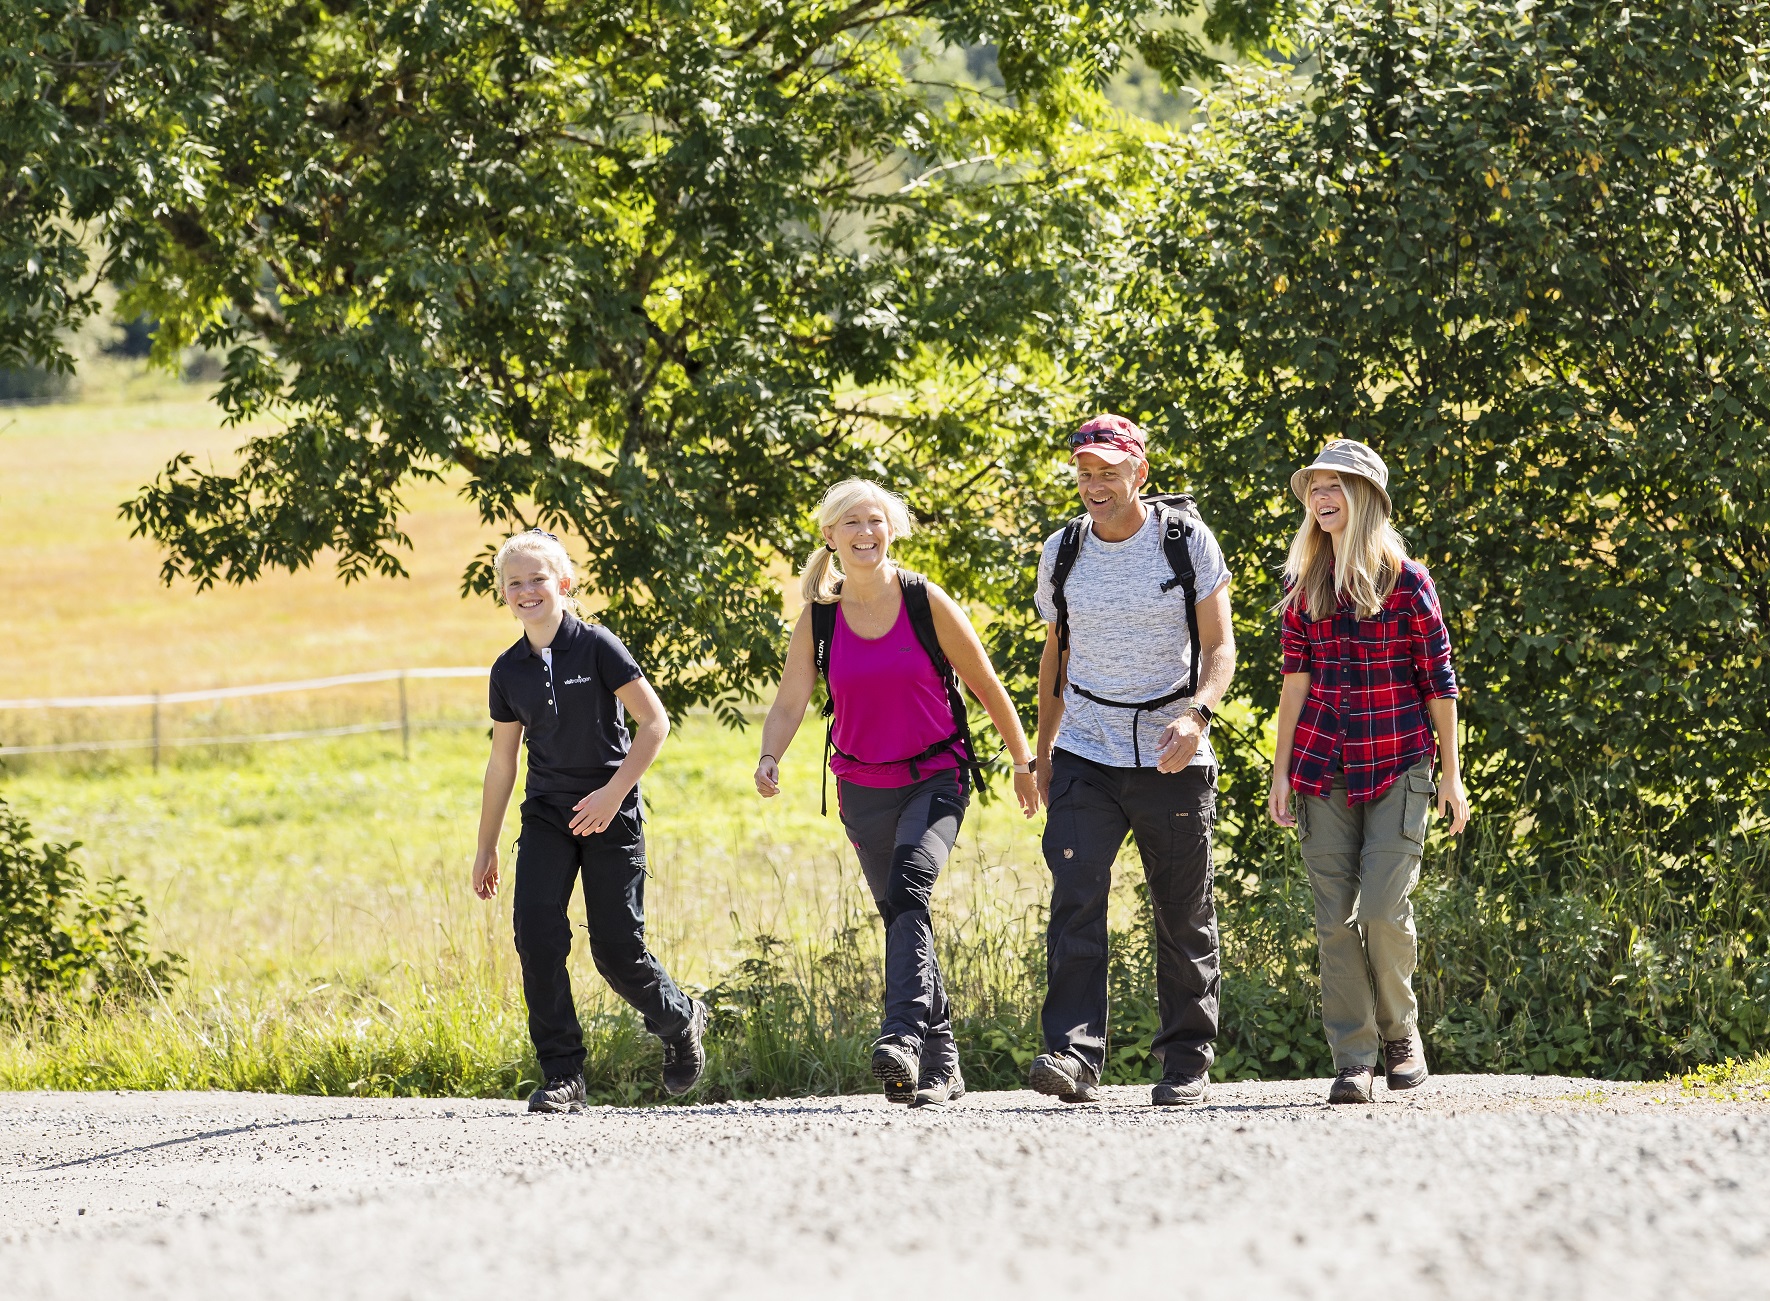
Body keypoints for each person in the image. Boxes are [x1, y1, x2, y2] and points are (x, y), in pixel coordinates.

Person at [754, 479, 1039, 1109]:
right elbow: (790, 700)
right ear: (830, 536)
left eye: (875, 520)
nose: (865, 533)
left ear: (892, 529)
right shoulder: (820, 618)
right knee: (903, 915)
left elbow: (987, 685)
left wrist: (1024, 761)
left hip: (936, 775)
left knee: (911, 886)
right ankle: (942, 1065)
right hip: (861, 786)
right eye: (851, 523)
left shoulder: (922, 599)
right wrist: (770, 755)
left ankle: (902, 1036)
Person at [1028, 414, 1237, 1107]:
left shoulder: (1185, 542)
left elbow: (1220, 647)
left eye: (1108, 473)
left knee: (1182, 913)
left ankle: (1185, 1061)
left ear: (1138, 473)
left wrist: (1197, 714)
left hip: (1171, 755)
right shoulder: (1062, 550)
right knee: (1075, 898)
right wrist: (1042, 754)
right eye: (1084, 473)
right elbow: (1056, 656)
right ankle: (1073, 1056)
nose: (1095, 485)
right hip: (1085, 751)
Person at [471, 529, 708, 1113]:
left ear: (564, 583)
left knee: (616, 949)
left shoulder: (598, 645)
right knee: (537, 937)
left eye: (538, 579)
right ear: (502, 593)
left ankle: (679, 1020)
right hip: (547, 815)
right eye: (514, 583)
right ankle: (563, 1075)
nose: (527, 591)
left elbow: (654, 723)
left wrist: (612, 794)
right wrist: (486, 847)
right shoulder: (508, 670)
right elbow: (502, 763)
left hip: (610, 811)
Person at [1266, 439, 1469, 1105]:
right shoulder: (1304, 585)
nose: (1321, 498)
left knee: (1381, 910)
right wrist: (1279, 773)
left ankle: (1401, 1034)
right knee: (1334, 921)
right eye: (1315, 488)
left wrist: (1450, 774)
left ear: (1366, 499)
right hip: (1321, 767)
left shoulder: (1408, 581)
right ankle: (1353, 1059)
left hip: (1399, 763)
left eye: (1335, 486)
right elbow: (1294, 684)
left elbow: (1439, 681)